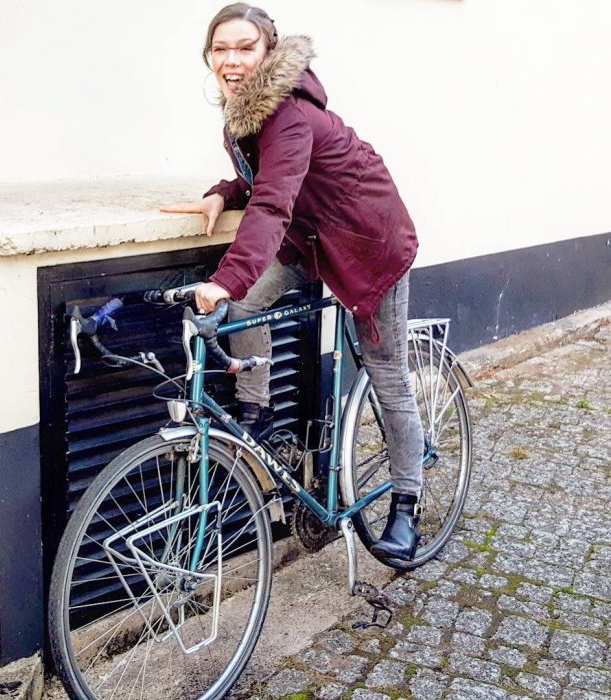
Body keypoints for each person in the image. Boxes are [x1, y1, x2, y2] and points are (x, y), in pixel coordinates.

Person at [161, 3, 423, 561]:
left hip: (369, 246)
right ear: (208, 56)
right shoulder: (248, 108)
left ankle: (407, 503)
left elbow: (275, 202)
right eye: (220, 49)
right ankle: (256, 410)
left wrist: (226, 277)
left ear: (269, 52)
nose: (231, 61)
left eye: (245, 48)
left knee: (388, 377)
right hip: (311, 239)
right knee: (243, 309)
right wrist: (224, 193)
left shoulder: (288, 113)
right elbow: (263, 176)